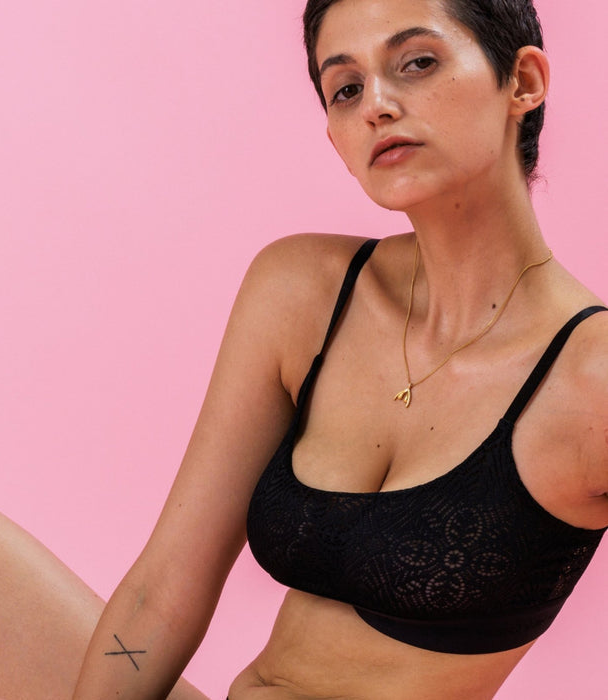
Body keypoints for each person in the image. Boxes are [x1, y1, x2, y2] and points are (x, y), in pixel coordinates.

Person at [69, 0, 608, 699]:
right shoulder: (303, 293)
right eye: (346, 88)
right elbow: (163, 589)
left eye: (417, 63)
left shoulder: (590, 377)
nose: (376, 106)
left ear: (523, 82)